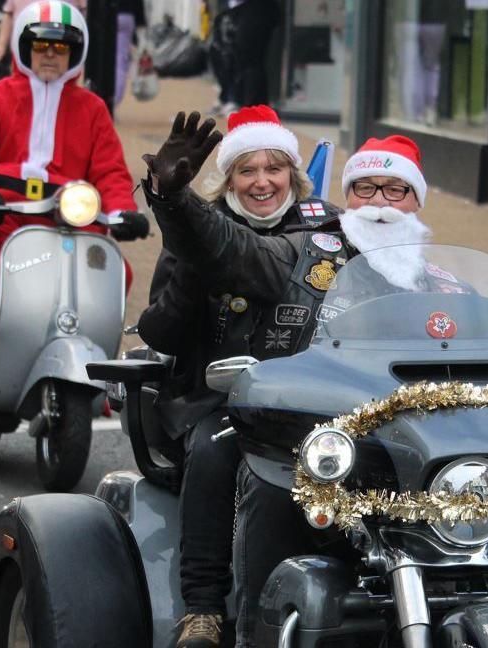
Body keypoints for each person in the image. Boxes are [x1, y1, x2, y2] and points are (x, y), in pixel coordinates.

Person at [142, 122, 435, 643]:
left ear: (417, 200)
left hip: (379, 412)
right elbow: (229, 249)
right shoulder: (313, 251)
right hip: (246, 396)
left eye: (397, 189)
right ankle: (206, 607)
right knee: (217, 449)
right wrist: (175, 201)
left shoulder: (440, 277)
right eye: (367, 189)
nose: (382, 202)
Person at [137, 106, 338, 648]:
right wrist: (190, 270)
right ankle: (202, 608)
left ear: (294, 177)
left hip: (315, 401)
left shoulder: (326, 231)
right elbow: (161, 331)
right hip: (218, 401)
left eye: (275, 168)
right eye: (247, 170)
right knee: (214, 448)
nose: (262, 182)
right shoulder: (196, 233)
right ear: (229, 180)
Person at [0, 0, 140, 404]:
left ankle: (96, 374)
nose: (50, 54)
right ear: (23, 46)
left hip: (69, 220)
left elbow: (111, 172)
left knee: (117, 273)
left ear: (76, 53)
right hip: (1, 217)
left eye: (61, 48)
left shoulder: (93, 108)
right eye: (41, 46)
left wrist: (123, 211)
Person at [0, 0, 88, 63]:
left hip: (63, 54)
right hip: (23, 54)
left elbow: (85, 14)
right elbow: (8, 15)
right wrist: (1, 45)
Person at [113, 0, 146, 108]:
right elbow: (138, 5)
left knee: (103, 59)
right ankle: (114, 101)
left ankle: (103, 98)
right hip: (126, 16)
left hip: (105, 15)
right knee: (121, 62)